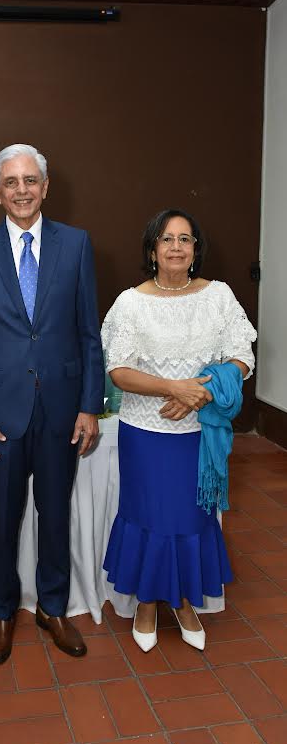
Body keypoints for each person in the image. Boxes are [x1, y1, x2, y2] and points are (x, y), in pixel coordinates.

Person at [0, 144, 104, 665]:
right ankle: (2, 612)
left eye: (31, 180)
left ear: (45, 186)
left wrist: (90, 405)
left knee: (55, 513)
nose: (22, 190)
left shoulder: (78, 245)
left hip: (64, 410)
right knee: (3, 518)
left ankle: (54, 607)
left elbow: (89, 334)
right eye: (11, 182)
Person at [101, 209, 257, 652]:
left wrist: (200, 393)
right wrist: (172, 387)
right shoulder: (131, 302)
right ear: (152, 249)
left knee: (192, 517)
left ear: (195, 250)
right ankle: (148, 602)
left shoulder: (219, 297)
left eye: (185, 239)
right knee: (149, 518)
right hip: (145, 433)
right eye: (166, 239)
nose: (175, 247)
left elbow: (241, 354)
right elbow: (119, 371)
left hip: (199, 435)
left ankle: (184, 600)